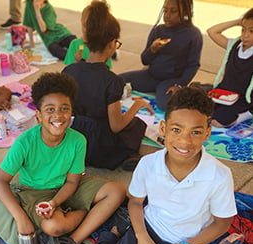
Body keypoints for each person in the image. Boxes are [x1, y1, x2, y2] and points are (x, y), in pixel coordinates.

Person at [83, 87, 237, 244]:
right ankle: (112, 236)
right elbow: (135, 202)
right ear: (163, 129)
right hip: (148, 230)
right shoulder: (149, 164)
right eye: (176, 130)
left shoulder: (218, 175)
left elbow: (222, 222)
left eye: (196, 132)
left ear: (207, 133)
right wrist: (142, 238)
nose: (185, 141)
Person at [0, 72, 126, 244]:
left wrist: (55, 203)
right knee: (53, 227)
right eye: (50, 109)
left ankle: (71, 241)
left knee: (117, 190)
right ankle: (85, 214)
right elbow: (0, 181)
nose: (58, 116)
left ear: (71, 113)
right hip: (34, 192)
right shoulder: (25, 141)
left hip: (68, 187)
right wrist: (21, 218)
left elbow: (72, 182)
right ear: (39, 115)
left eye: (64, 109)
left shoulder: (78, 140)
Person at [63, 0, 153, 171]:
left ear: (86, 39)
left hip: (74, 136)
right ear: (112, 44)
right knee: (136, 124)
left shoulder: (70, 70)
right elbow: (116, 125)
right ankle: (128, 156)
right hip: (100, 145)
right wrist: (137, 105)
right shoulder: (112, 81)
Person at [120, 0, 202, 111]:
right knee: (118, 81)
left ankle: (182, 92)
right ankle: (157, 89)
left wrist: (180, 84)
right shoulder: (158, 31)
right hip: (151, 76)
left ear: (185, 13)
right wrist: (152, 50)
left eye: (173, 11)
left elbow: (193, 65)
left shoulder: (193, 34)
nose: (167, 15)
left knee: (165, 104)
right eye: (165, 10)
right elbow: (144, 60)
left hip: (171, 80)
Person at [207, 8, 253, 128]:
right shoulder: (234, 45)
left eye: (252, 31)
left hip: (244, 100)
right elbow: (212, 31)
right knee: (201, 111)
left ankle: (248, 114)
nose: (245, 35)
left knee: (217, 121)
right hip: (224, 93)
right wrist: (238, 21)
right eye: (243, 30)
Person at [63, 0, 113, 69]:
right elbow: (68, 71)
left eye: (89, 27)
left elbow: (106, 69)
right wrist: (76, 62)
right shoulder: (75, 44)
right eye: (84, 26)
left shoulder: (102, 46)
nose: (85, 30)